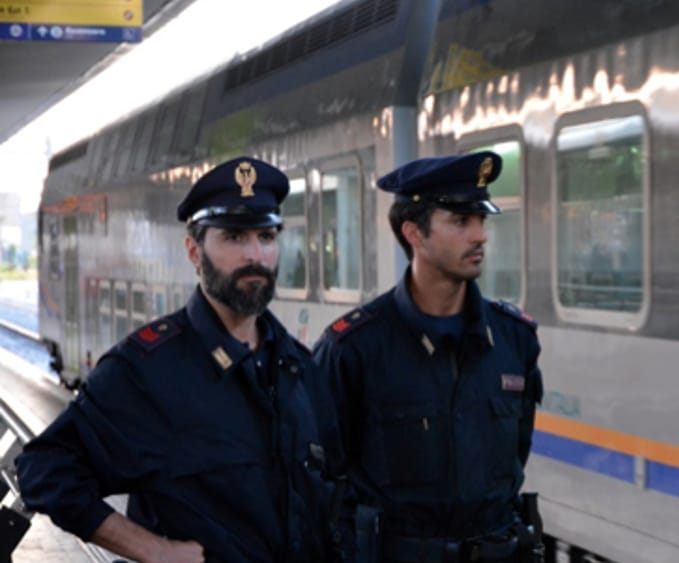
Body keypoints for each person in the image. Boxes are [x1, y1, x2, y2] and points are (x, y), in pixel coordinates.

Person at [16, 157, 342, 563]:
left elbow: (334, 493)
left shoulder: (299, 368)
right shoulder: (148, 371)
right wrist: (151, 548)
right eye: (234, 237)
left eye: (266, 236)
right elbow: (44, 468)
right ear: (194, 251)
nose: (255, 255)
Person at [312, 152, 544, 563]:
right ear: (414, 234)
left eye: (481, 220)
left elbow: (515, 455)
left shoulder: (514, 340)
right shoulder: (354, 349)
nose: (480, 236)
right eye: (460, 221)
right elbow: (320, 481)